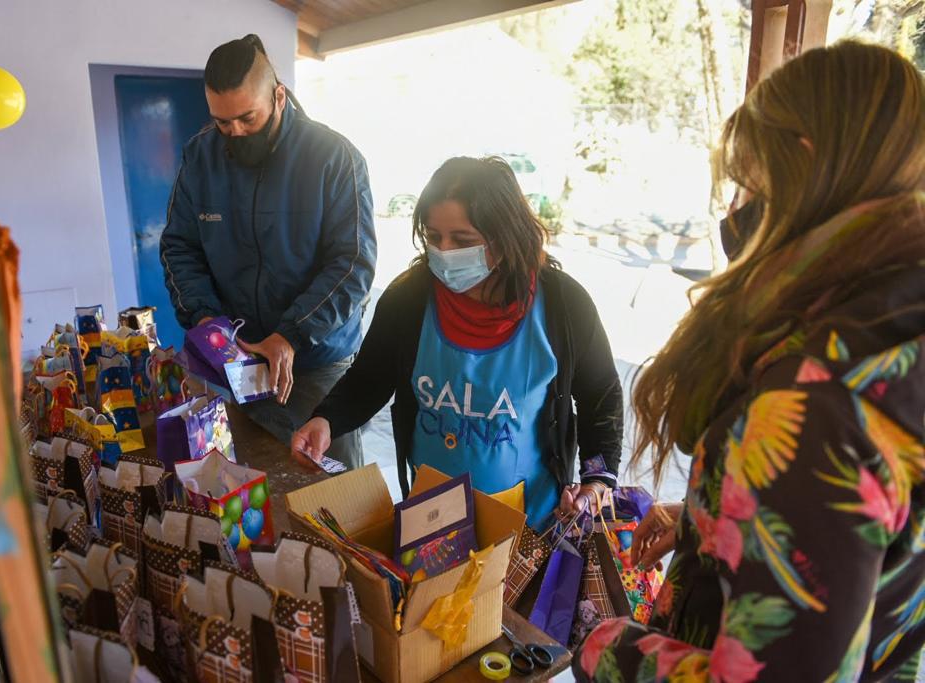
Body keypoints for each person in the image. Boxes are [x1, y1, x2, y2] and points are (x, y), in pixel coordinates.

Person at [576, 41, 925, 682]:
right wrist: (720, 522)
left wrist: (610, 651)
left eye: (746, 180)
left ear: (804, 163)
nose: (735, 210)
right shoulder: (893, 334)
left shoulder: (815, 403)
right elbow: (867, 547)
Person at [291, 156, 623, 531]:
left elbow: (601, 395)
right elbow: (370, 378)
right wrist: (327, 419)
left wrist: (598, 479)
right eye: (434, 237)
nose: (444, 252)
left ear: (504, 238)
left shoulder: (563, 305)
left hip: (530, 523)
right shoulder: (409, 299)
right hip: (430, 518)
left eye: (462, 240)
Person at [160, 35, 376, 468]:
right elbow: (179, 246)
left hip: (316, 364)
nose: (234, 132)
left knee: (331, 492)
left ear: (279, 97)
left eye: (247, 118)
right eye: (222, 122)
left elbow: (353, 264)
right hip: (237, 365)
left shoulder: (334, 158)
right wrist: (208, 324)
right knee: (254, 479)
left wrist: (291, 334)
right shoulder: (200, 155)